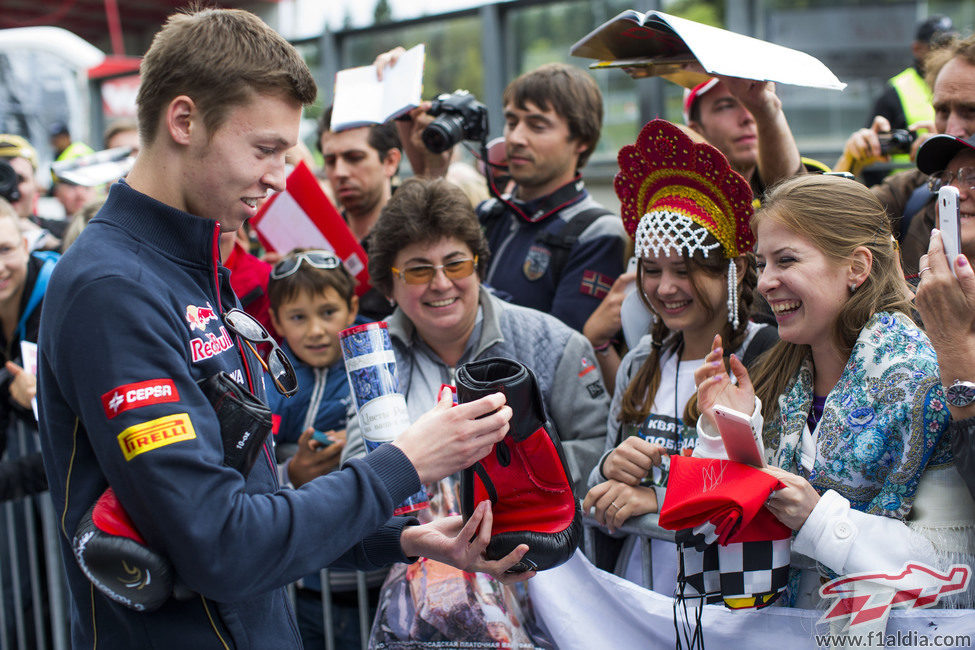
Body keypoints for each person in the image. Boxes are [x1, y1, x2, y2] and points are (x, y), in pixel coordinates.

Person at [37, 10, 527, 649]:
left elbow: (252, 496)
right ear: (183, 121)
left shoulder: (190, 262)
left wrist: (394, 538)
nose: (278, 178)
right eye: (264, 150)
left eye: (287, 154)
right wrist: (403, 463)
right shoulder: (113, 288)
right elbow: (221, 545)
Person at [693, 174, 969, 608]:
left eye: (786, 260)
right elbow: (721, 529)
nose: (765, 282)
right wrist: (726, 431)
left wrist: (818, 518)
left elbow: (950, 571)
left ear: (856, 267)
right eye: (763, 263)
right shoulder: (784, 375)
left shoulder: (925, 381)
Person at [581, 119, 777, 593]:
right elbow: (594, 486)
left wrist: (658, 498)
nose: (664, 288)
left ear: (734, 270)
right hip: (637, 591)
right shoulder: (640, 361)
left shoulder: (765, 355)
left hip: (723, 601)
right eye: (651, 269)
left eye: (684, 270)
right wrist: (609, 468)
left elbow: (767, 483)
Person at [342, 176, 608, 498]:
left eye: (456, 265)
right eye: (418, 270)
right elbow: (359, 470)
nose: (440, 283)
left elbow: (599, 449)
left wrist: (507, 484)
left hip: (527, 542)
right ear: (388, 285)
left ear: (479, 267)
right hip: (412, 544)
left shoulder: (553, 344)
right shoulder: (372, 357)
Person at [382, 53, 628, 333]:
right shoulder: (490, 214)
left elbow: (562, 353)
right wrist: (432, 171)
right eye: (512, 122)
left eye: (537, 126)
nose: (516, 138)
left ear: (581, 140)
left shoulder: (598, 233)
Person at [263, 249, 381, 648]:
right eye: (298, 317)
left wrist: (360, 448)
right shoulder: (264, 377)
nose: (315, 330)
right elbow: (247, 464)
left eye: (327, 312)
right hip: (302, 586)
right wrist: (292, 473)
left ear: (351, 308)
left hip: (376, 579)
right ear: (276, 321)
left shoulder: (375, 360)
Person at [835, 33, 975, 274]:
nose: (952, 128)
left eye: (970, 111)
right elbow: (826, 222)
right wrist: (851, 162)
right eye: (942, 110)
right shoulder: (917, 192)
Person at [316, 106, 402, 321]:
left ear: (390, 161)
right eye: (330, 161)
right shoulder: (316, 244)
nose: (339, 172)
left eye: (354, 157)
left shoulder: (415, 235)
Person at [682, 76, 809, 202]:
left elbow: (797, 201)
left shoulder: (817, 176)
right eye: (726, 106)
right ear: (696, 130)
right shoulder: (680, 205)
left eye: (754, 103)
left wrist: (768, 111)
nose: (748, 117)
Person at [0, 133, 64, 247]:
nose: (8, 187)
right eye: (1, 179)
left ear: (36, 185)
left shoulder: (63, 231)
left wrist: (49, 243)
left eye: (19, 179)